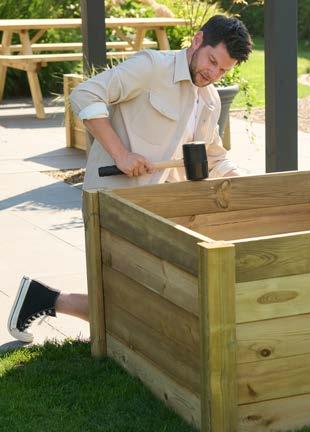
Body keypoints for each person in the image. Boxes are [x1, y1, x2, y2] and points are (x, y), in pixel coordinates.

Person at [7, 15, 253, 343]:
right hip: (115, 200)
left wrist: (243, 184)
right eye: (211, 61)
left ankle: (43, 299)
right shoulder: (152, 67)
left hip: (161, 207)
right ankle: (47, 301)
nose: (214, 74)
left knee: (148, 297)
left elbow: (214, 155)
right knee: (134, 299)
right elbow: (84, 95)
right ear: (197, 40)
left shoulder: (208, 101)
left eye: (223, 70)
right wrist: (121, 154)